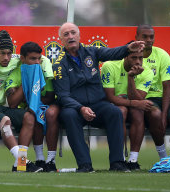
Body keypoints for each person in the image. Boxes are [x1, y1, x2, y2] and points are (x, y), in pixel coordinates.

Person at [52, 22, 144, 172]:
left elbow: (111, 53)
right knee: (68, 115)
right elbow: (63, 96)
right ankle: (85, 165)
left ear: (79, 35)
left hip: (98, 105)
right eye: (66, 34)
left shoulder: (91, 51)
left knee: (115, 112)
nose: (70, 36)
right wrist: (80, 108)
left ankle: (117, 163)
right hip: (76, 108)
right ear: (60, 40)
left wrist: (128, 49)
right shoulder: (59, 64)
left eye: (73, 33)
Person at [0, 30, 43, 172]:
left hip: (0, 106)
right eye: (2, 53)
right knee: (5, 121)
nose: (6, 57)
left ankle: (19, 165)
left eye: (9, 53)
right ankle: (23, 162)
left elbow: (41, 59)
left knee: (29, 117)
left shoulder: (15, 61)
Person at [5, 41, 59, 172]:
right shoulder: (15, 73)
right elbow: (12, 103)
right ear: (22, 58)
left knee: (43, 112)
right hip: (23, 111)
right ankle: (23, 161)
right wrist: (28, 81)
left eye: (39, 58)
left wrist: (32, 99)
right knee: (31, 115)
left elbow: (50, 97)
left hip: (47, 106)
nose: (37, 62)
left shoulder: (44, 70)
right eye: (32, 59)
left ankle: (50, 160)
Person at [101, 49, 154, 170]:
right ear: (125, 57)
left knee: (138, 113)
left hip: (130, 104)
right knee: (121, 111)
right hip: (110, 106)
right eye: (134, 58)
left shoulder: (147, 72)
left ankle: (133, 160)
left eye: (140, 58)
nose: (138, 62)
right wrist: (133, 102)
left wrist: (131, 77)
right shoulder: (109, 65)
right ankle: (120, 159)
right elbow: (110, 97)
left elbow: (139, 99)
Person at [136, 24, 170, 157]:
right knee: (155, 115)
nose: (148, 39)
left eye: (151, 37)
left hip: (162, 98)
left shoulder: (162, 55)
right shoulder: (131, 56)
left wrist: (165, 114)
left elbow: (167, 87)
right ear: (137, 37)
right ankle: (163, 157)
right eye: (144, 36)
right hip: (144, 98)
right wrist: (160, 115)